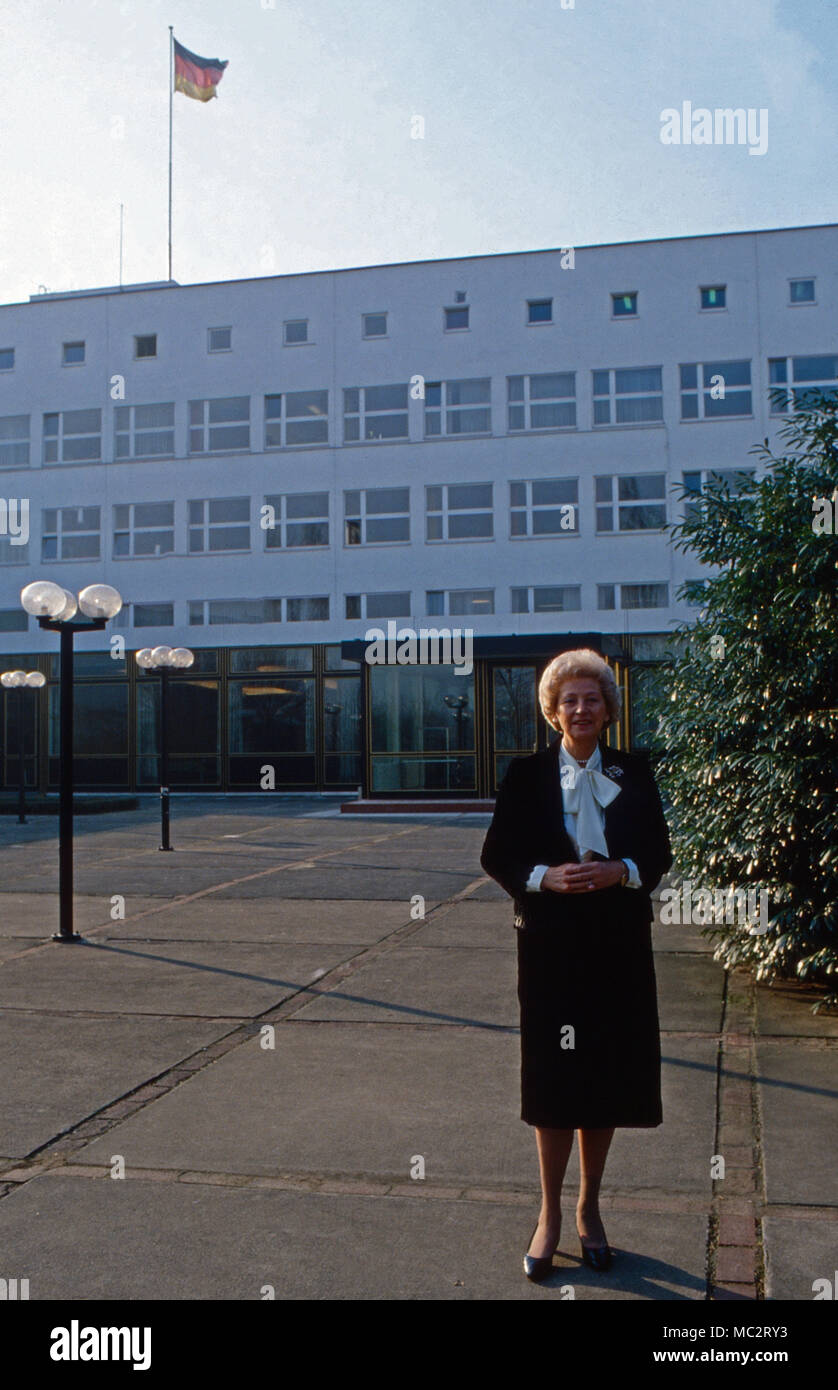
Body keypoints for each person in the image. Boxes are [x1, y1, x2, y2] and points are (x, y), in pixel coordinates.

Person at [479, 647, 672, 1281]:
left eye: (591, 699)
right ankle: (549, 1214)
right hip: (551, 948)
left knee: (607, 1076)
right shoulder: (524, 776)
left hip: (617, 945)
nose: (581, 709)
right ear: (553, 711)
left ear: (607, 710)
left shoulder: (635, 771)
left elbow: (659, 852)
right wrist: (544, 878)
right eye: (569, 700)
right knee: (555, 1080)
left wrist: (623, 870)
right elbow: (496, 856)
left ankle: (590, 1208)